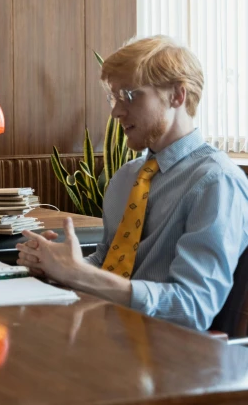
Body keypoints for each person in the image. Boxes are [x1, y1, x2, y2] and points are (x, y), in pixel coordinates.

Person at [17, 36, 248, 331]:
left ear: (177, 95)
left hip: (170, 358)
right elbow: (108, 262)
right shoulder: (127, 177)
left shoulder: (217, 182)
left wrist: (79, 275)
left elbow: (192, 308)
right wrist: (55, 265)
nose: (116, 112)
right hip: (109, 336)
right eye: (113, 98)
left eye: (129, 95)